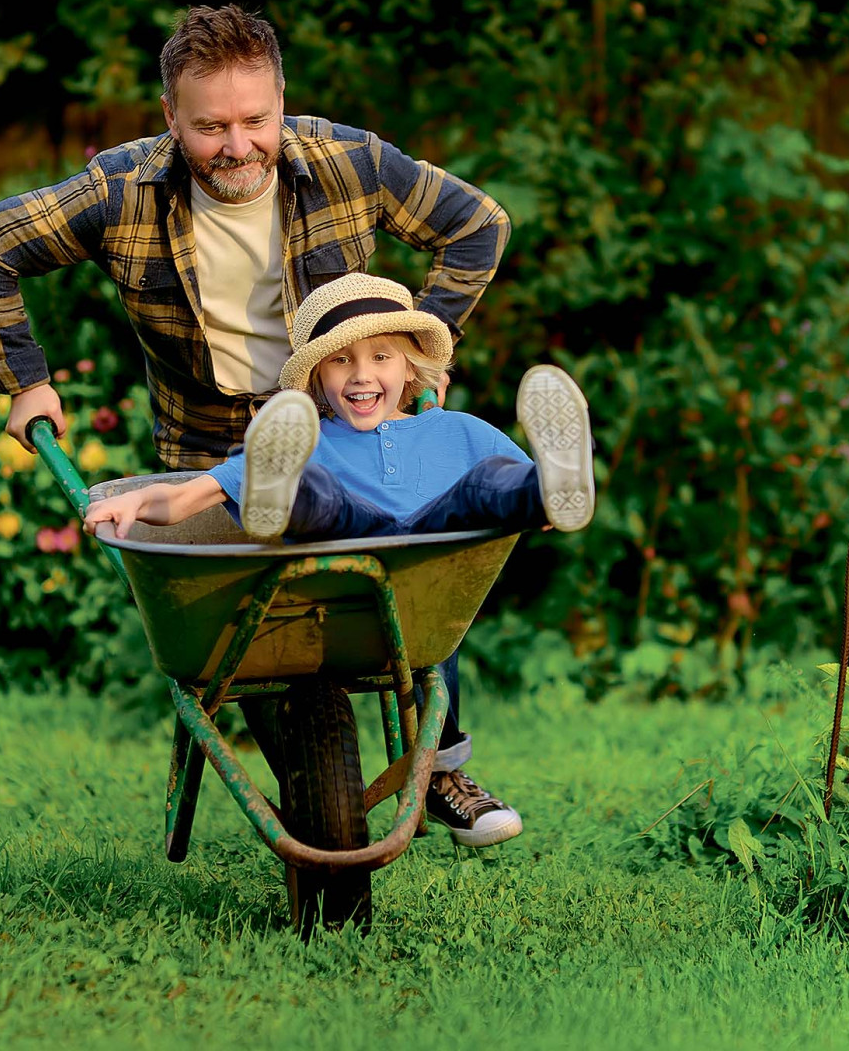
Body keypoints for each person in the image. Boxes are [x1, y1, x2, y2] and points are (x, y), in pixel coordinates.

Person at [0, 5, 522, 841]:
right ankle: (322, 794)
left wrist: (425, 342)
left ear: (282, 103)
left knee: (418, 539)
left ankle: (439, 766)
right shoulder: (123, 188)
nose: (238, 145)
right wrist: (23, 381)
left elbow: (477, 224)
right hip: (209, 444)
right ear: (171, 117)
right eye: (211, 126)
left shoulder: (349, 162)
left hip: (342, 421)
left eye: (256, 119)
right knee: (258, 625)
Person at [81, 275, 595, 846]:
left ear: (412, 368)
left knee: (489, 481)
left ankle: (554, 484)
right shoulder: (310, 439)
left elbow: (498, 492)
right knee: (321, 493)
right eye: (341, 360)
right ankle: (280, 496)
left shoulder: (460, 432)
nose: (361, 374)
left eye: (382, 356)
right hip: (341, 567)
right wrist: (133, 504)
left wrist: (539, 506)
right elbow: (185, 499)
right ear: (318, 379)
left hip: (427, 565)